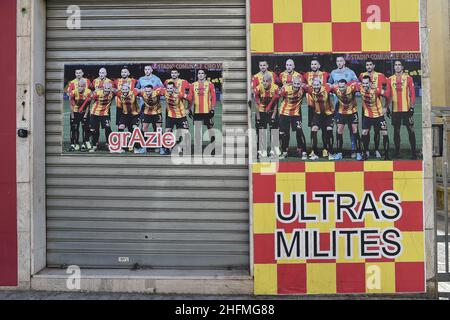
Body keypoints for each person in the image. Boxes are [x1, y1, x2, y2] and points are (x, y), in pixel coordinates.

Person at [359, 60, 390, 159]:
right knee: (365, 132)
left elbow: (388, 89)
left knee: (379, 132)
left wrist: (386, 106)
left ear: (373, 65)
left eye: (370, 65)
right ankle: (366, 151)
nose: (368, 66)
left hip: (378, 110)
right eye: (366, 65)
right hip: (366, 111)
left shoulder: (380, 76)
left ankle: (378, 151)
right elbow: (353, 84)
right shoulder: (361, 76)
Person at [387, 60, 417, 159]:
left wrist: (412, 107)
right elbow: (388, 95)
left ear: (402, 67)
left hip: (406, 109)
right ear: (394, 67)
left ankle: (414, 153)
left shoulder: (408, 78)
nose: (397, 67)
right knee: (396, 131)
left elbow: (412, 94)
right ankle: (397, 152)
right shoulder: (390, 79)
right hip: (395, 110)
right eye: (396, 65)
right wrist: (387, 107)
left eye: (399, 65)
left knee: (411, 130)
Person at [303, 58, 330, 158]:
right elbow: (302, 85)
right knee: (313, 129)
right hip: (311, 106)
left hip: (323, 106)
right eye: (312, 64)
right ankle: (313, 150)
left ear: (319, 66)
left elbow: (330, 85)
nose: (313, 66)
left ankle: (325, 149)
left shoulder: (325, 74)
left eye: (315, 64)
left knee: (324, 129)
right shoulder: (306, 75)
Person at [304, 79, 335, 161]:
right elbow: (302, 85)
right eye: (314, 85)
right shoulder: (310, 90)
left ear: (320, 85)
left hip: (328, 114)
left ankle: (331, 152)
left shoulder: (326, 88)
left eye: (318, 85)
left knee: (329, 129)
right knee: (313, 129)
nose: (316, 87)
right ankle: (314, 152)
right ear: (312, 85)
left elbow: (334, 86)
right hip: (317, 114)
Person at [331, 79, 362, 161]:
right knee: (339, 130)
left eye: (343, 87)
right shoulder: (335, 88)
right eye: (340, 87)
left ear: (346, 85)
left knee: (355, 130)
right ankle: (339, 153)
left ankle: (359, 152)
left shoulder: (352, 88)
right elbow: (326, 87)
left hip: (352, 112)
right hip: (341, 112)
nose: (341, 89)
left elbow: (361, 86)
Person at [188, 69, 217, 153]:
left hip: (207, 111)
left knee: (210, 129)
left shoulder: (210, 84)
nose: (200, 75)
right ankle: (198, 149)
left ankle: (213, 147)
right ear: (197, 75)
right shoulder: (193, 85)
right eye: (199, 73)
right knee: (197, 131)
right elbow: (190, 98)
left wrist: (212, 109)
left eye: (202, 73)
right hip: (197, 112)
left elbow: (214, 98)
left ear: (205, 75)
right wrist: (189, 109)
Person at [279, 76, 307, 160]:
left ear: (301, 84)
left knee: (299, 131)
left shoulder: (303, 89)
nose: (296, 85)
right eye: (295, 83)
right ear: (292, 83)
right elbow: (278, 95)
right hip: (284, 113)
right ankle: (284, 152)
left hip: (295, 114)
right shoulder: (286, 88)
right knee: (284, 133)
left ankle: (304, 152)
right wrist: (282, 88)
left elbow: (313, 87)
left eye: (298, 84)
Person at [253, 73, 280, 159]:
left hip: (272, 112)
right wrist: (258, 117)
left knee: (274, 132)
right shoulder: (258, 88)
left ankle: (273, 151)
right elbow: (256, 104)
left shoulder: (275, 88)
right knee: (261, 132)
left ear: (270, 82)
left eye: (267, 81)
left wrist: (273, 115)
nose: (264, 83)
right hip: (261, 112)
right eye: (263, 81)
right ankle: (262, 150)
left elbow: (276, 103)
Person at [161, 81, 189, 155]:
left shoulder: (179, 94)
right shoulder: (164, 92)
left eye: (171, 88)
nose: (169, 90)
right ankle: (167, 148)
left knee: (185, 133)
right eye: (168, 88)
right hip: (170, 116)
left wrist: (187, 108)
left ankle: (180, 148)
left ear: (174, 88)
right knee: (167, 132)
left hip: (181, 116)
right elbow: (156, 89)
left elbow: (189, 98)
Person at [138, 85, 165, 154]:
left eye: (149, 91)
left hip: (157, 113)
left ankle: (161, 147)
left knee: (159, 129)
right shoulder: (142, 93)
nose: (147, 92)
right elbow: (133, 91)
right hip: (147, 113)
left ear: (152, 90)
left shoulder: (157, 92)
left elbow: (165, 90)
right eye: (146, 91)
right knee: (144, 128)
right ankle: (144, 147)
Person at [89, 82, 115, 152]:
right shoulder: (98, 93)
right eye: (105, 88)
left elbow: (119, 91)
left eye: (108, 89)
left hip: (104, 114)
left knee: (108, 128)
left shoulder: (113, 93)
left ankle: (109, 144)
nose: (107, 90)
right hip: (95, 114)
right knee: (94, 130)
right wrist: (94, 91)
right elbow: (90, 98)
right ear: (103, 88)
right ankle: (94, 145)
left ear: (111, 89)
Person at [115, 83, 141, 153]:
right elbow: (113, 90)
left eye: (126, 89)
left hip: (135, 115)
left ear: (129, 89)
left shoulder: (134, 93)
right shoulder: (119, 94)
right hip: (125, 115)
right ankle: (121, 146)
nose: (124, 91)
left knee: (134, 128)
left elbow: (141, 91)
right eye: (123, 89)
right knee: (120, 127)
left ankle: (134, 145)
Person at [68, 79, 92, 152]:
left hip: (84, 113)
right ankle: (76, 143)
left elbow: (88, 105)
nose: (80, 88)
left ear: (84, 86)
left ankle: (84, 143)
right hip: (75, 113)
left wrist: (85, 115)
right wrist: (72, 115)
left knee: (85, 129)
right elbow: (71, 104)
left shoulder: (88, 92)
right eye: (79, 86)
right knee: (75, 128)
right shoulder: (73, 92)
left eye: (81, 86)